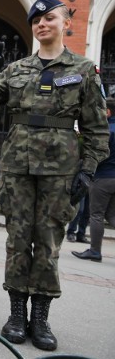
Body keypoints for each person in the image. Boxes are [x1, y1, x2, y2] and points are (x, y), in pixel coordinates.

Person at [0, 0, 109, 351]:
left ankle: (41, 319)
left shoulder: (83, 69)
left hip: (60, 171)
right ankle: (17, 314)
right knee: (17, 240)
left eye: (49, 18)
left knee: (48, 243)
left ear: (65, 23)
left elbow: (96, 128)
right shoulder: (15, 70)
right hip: (16, 167)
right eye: (36, 20)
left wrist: (88, 171)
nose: (42, 24)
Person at [73, 97, 115, 262]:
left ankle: (95, 251)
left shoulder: (106, 130)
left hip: (103, 177)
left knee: (96, 215)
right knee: (112, 215)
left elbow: (100, 154)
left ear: (108, 112)